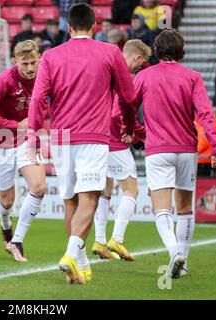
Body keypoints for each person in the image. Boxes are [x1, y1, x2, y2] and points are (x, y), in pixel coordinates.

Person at [28, 4, 137, 285]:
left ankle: (80, 262)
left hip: (61, 138)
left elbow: (38, 98)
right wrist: (128, 125)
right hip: (93, 137)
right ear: (95, 24)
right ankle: (70, 254)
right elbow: (128, 96)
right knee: (89, 198)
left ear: (68, 24)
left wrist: (32, 135)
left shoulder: (51, 55)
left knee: (70, 201)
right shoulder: (111, 52)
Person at [130, 30, 216, 279]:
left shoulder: (144, 76)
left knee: (162, 209)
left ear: (157, 51)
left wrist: (136, 132)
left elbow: (126, 107)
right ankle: (183, 260)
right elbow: (205, 114)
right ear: (182, 51)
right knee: (185, 209)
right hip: (186, 150)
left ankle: (174, 253)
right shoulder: (192, 77)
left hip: (158, 149)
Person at [0, 40, 47, 263]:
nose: (29, 68)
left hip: (27, 139)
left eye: (33, 62)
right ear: (15, 61)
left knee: (39, 187)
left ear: (40, 58)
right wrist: (16, 125)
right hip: (0, 142)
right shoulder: (4, 81)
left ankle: (16, 240)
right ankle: (5, 226)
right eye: (24, 63)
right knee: (7, 200)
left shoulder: (45, 78)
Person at [92, 39, 151, 262]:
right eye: (140, 63)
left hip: (97, 139)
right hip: (114, 141)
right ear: (136, 57)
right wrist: (140, 132)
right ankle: (117, 238)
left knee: (104, 192)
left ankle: (99, 241)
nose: (139, 68)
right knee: (131, 190)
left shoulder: (106, 73)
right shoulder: (123, 78)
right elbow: (118, 113)